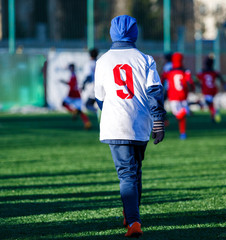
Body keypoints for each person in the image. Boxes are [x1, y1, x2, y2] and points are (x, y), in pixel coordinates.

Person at [94, 15, 166, 238]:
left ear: (112, 34)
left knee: (127, 174)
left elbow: (99, 98)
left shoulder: (102, 60)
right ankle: (131, 215)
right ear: (135, 33)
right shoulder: (145, 59)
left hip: (114, 125)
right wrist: (158, 122)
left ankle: (133, 221)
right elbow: (155, 93)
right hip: (139, 124)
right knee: (135, 172)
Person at [162, 52, 195, 140]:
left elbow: (162, 78)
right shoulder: (185, 71)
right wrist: (192, 88)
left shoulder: (169, 71)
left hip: (173, 95)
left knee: (177, 114)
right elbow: (190, 82)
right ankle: (183, 133)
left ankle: (186, 111)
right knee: (182, 117)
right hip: (183, 94)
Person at [196, 56, 226, 123]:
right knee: (210, 103)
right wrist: (225, 85)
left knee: (208, 103)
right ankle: (212, 117)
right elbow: (220, 77)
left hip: (207, 90)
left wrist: (200, 86)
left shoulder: (202, 72)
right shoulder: (214, 71)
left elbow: (195, 80)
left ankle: (214, 112)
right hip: (213, 89)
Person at [60, 63, 91, 129]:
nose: (70, 69)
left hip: (73, 94)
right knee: (79, 111)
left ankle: (75, 112)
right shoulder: (73, 74)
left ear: (72, 68)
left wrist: (64, 82)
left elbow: (72, 84)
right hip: (75, 95)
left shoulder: (73, 75)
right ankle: (87, 122)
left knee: (64, 103)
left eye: (70, 67)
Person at [82, 48, 99, 114]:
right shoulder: (99, 62)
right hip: (99, 85)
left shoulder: (88, 64)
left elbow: (88, 76)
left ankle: (98, 112)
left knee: (87, 105)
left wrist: (83, 84)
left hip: (91, 87)